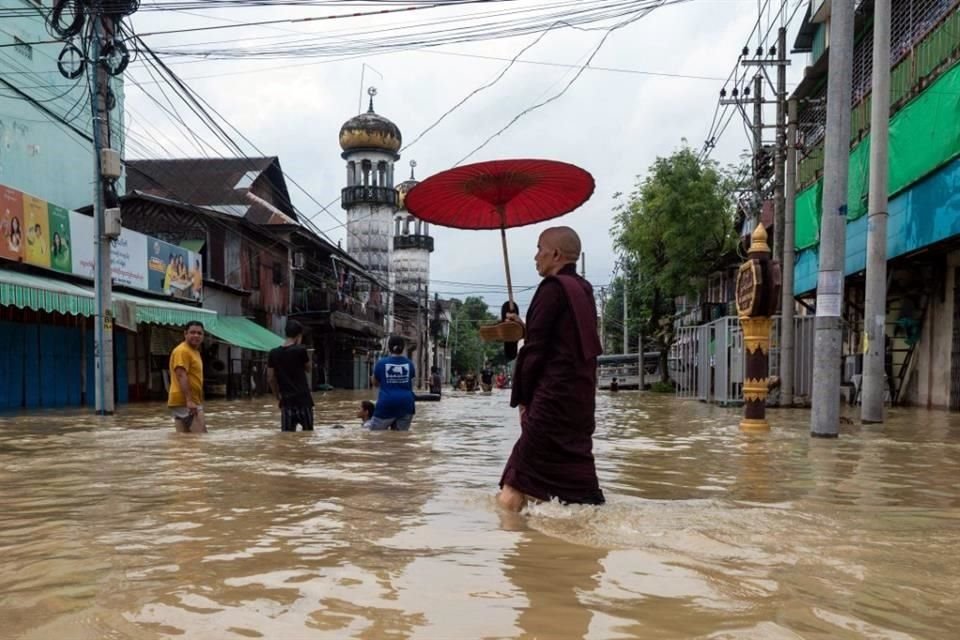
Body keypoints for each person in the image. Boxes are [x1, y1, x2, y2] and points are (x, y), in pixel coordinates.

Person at [498, 226, 604, 511]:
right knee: (580, 495)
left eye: (539, 249)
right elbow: (562, 342)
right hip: (578, 407)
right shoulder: (583, 289)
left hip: (550, 407)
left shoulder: (552, 289)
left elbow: (535, 353)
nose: (536, 257)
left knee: (512, 489)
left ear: (555, 254)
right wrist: (525, 329)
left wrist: (521, 399)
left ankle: (511, 546)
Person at [267, 320, 314, 432]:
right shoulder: (301, 350)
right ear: (299, 335)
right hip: (304, 401)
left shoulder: (273, 353)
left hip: (287, 402)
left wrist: (277, 395)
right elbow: (308, 369)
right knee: (308, 435)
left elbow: (270, 378)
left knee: (287, 436)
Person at [369, 335, 415, 431]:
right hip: (406, 405)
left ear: (389, 347)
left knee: (374, 436)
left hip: (386, 404)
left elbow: (375, 383)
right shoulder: (410, 364)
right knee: (399, 439)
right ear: (403, 348)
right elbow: (411, 383)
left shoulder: (381, 363)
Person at [168, 321, 207, 433]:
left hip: (184, 401)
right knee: (201, 437)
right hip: (185, 401)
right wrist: (189, 400)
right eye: (192, 332)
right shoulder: (182, 351)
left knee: (184, 441)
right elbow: (181, 375)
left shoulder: (194, 352)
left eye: (199, 333)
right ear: (185, 334)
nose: (196, 335)